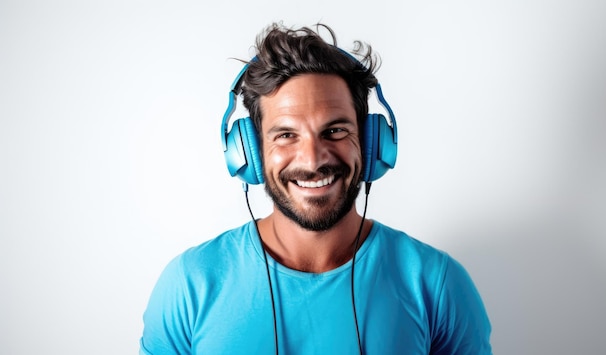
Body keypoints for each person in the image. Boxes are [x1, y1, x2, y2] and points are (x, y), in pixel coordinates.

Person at [140, 22, 492, 355]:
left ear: (371, 143)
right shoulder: (189, 285)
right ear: (250, 152)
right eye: (286, 135)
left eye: (335, 130)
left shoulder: (437, 284)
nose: (312, 160)